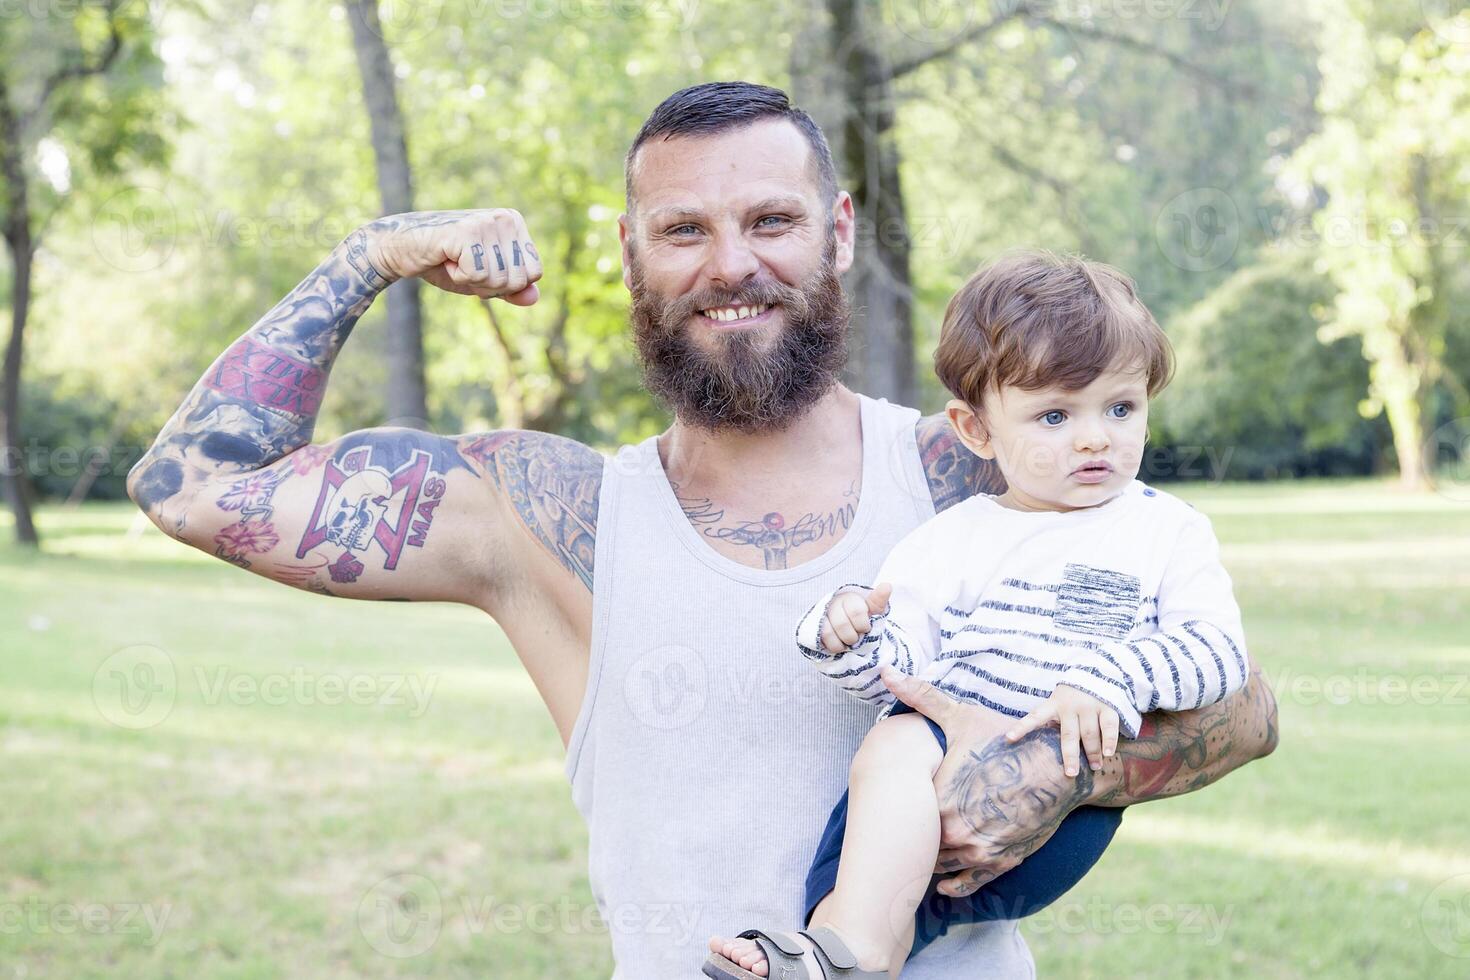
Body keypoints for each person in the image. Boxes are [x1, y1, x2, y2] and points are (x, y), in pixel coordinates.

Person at [126, 81, 1278, 978]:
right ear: (628, 252)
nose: (734, 263)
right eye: (683, 228)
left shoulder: (970, 467)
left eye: (771, 219)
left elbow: (1246, 709)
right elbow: (192, 486)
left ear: (836, 232)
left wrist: (1058, 774)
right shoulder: (537, 512)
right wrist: (368, 255)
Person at [705, 251, 1253, 979]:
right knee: (891, 763)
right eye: (1055, 415)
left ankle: (855, 945)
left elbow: (1219, 653)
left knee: (896, 775)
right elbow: (901, 670)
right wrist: (849, 637)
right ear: (976, 429)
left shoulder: (1163, 531)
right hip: (917, 795)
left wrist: (1108, 677)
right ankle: (830, 956)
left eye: (1121, 408)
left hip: (1054, 798)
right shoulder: (955, 537)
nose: (1095, 437)